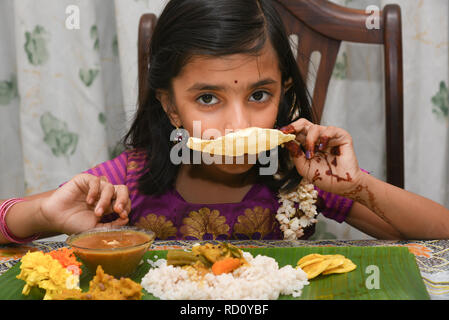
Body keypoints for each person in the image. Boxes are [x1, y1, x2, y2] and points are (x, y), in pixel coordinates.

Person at [1, 0, 448, 245]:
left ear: (284, 93)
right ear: (171, 107)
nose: (236, 125)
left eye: (259, 94)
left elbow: (439, 234)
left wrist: (356, 187)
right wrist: (42, 214)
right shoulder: (130, 179)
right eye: (208, 98)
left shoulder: (300, 176)